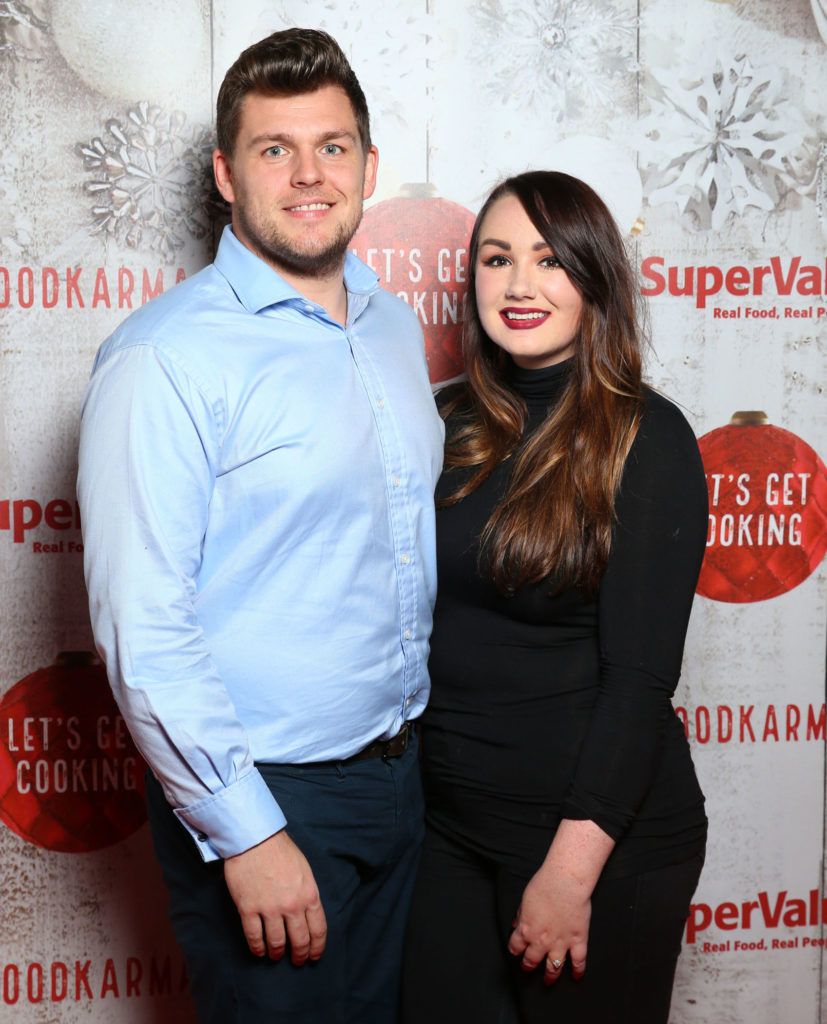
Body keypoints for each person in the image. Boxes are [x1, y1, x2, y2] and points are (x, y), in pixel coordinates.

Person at [77, 28, 443, 1024]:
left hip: (399, 778)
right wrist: (245, 832)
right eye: (274, 149)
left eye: (330, 146)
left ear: (368, 169)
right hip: (269, 797)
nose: (308, 174)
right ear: (225, 176)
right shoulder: (165, 357)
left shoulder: (391, 326)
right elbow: (142, 625)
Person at [401, 171, 708, 1024]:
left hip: (597, 845)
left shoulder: (647, 437)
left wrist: (569, 877)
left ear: (594, 279)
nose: (519, 284)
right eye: (497, 259)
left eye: (549, 260)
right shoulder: (446, 423)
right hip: (452, 831)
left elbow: (639, 682)